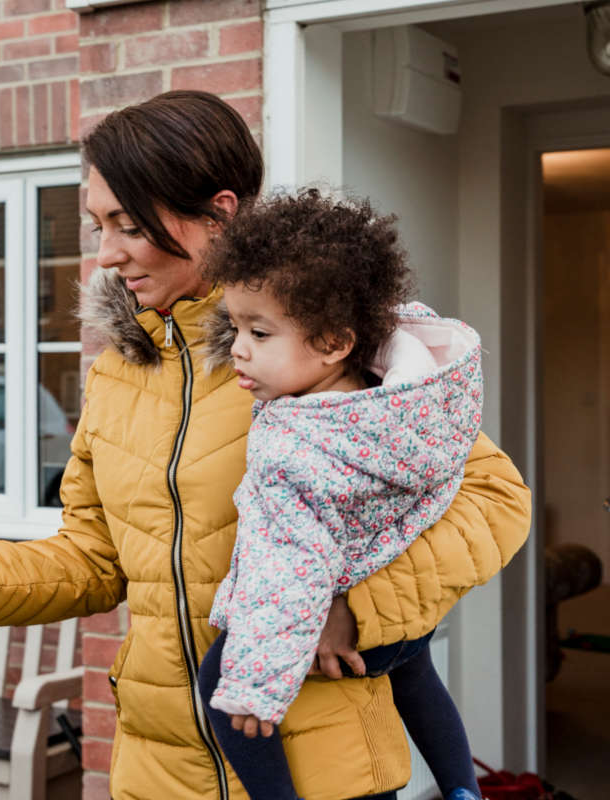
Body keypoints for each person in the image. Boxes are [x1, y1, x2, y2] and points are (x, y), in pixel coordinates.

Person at [0, 90, 531, 800]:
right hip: (161, 773)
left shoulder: (314, 349)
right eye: (98, 225)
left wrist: (358, 609)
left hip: (325, 770)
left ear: (219, 213)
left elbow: (494, 500)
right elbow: (95, 556)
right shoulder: (115, 375)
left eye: (128, 225)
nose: (107, 254)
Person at [195, 189, 483, 800]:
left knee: (218, 680)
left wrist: (258, 682)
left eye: (259, 332)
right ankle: (462, 788)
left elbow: (288, 563)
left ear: (333, 342)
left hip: (335, 627)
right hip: (403, 628)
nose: (238, 348)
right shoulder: (407, 405)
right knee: (417, 676)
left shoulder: (294, 444)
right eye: (234, 327)